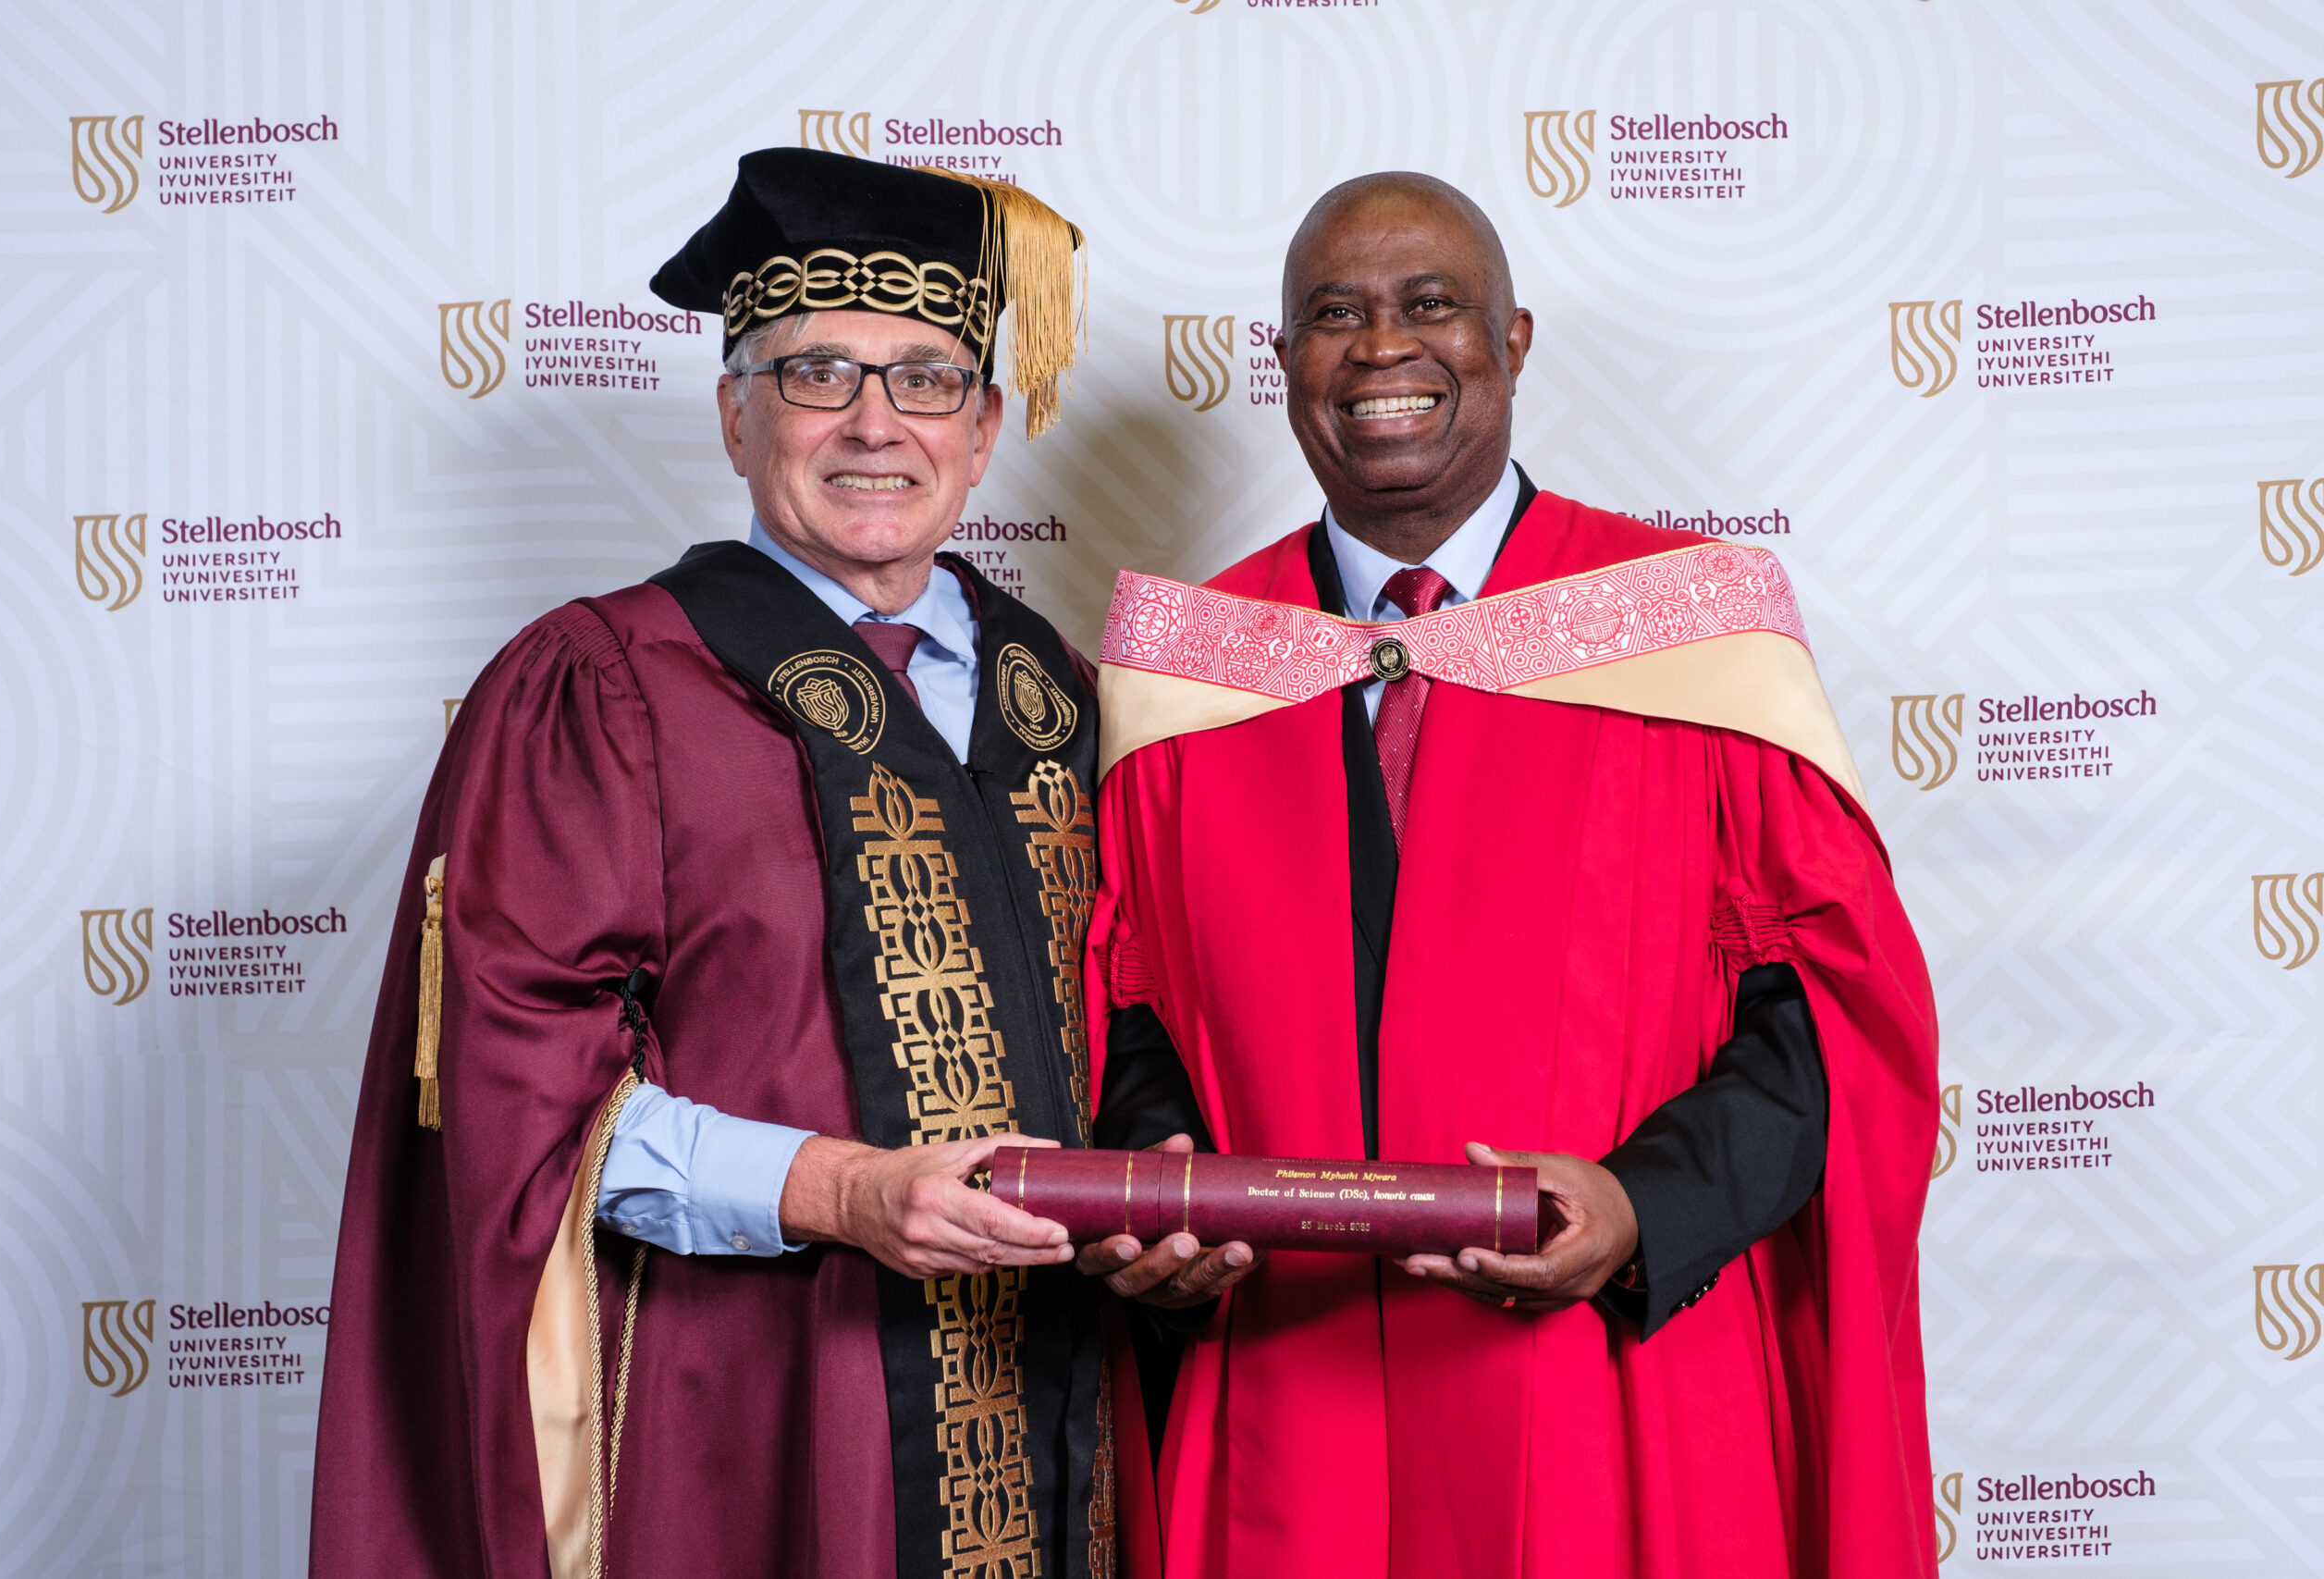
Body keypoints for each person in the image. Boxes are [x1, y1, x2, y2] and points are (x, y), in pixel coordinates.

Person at [1078, 172, 1940, 1578]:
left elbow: (1827, 1030)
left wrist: (1641, 1209)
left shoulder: (1689, 634)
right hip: (1290, 1394)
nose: (1381, 348)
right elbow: (1127, 1009)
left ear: (1514, 338)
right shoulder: (1191, 668)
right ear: (1281, 357)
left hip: (1611, 1381)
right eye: (1333, 316)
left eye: (1431, 305)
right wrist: (1160, 1192)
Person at [311, 149, 1117, 1579]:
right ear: (736, 414)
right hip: (757, 1413)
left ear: (986, 429)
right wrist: (839, 1190)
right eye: (817, 373)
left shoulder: (1055, 694)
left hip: (1056, 1410)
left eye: (928, 379)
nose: (876, 424)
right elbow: (520, 1113)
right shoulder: (607, 685)